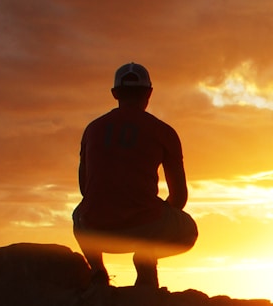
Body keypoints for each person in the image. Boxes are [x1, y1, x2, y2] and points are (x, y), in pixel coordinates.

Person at [72, 62, 198, 289]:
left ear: (114, 93)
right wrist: (158, 212)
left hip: (96, 230)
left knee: (78, 213)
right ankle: (145, 261)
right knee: (189, 229)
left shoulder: (93, 129)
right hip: (146, 227)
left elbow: (84, 188)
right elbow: (179, 197)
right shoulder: (164, 132)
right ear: (149, 93)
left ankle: (98, 273)